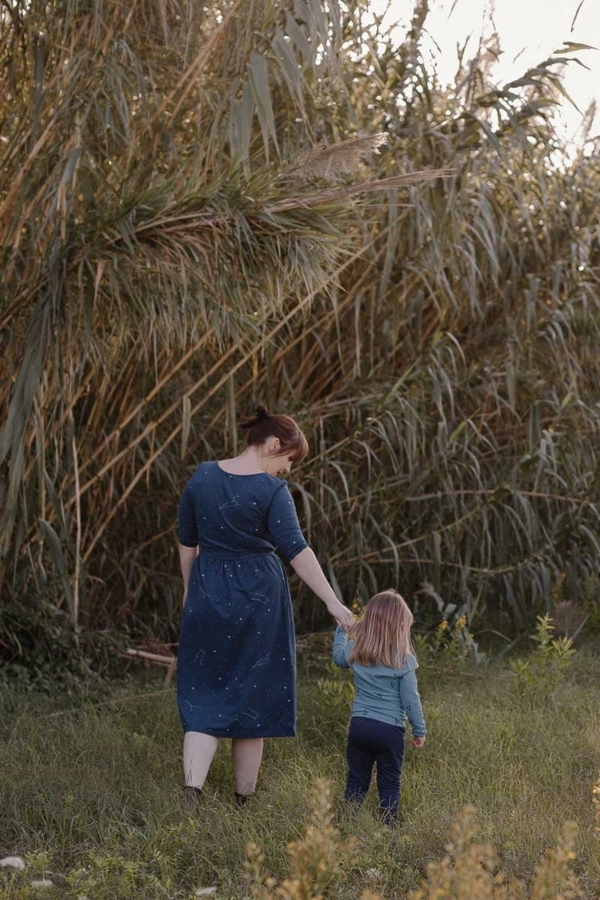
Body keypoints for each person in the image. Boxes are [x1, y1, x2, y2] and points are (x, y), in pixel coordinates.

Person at [177, 405, 354, 803]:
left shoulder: (202, 476)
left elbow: (187, 543)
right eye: (288, 459)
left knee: (204, 691)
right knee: (251, 695)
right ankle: (244, 800)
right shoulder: (271, 491)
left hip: (207, 591)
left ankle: (191, 793)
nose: (287, 470)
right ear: (274, 444)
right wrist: (332, 601)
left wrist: (192, 591)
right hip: (259, 600)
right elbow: (297, 550)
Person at [332, 590, 426, 823]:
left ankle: (348, 825)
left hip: (360, 725)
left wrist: (342, 630)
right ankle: (388, 829)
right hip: (390, 730)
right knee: (389, 783)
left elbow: (338, 658)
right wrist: (419, 729)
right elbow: (410, 699)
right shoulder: (404, 661)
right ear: (401, 627)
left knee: (356, 780)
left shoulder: (356, 651)